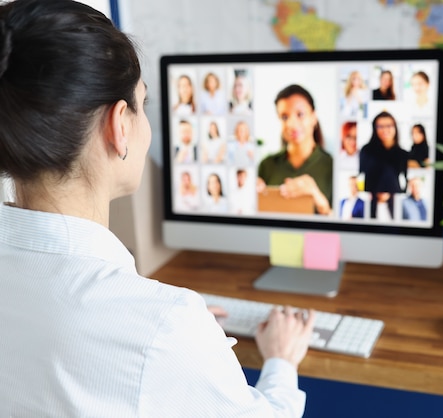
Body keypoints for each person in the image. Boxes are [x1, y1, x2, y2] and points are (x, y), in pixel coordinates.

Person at [0, 1, 316, 416]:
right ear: (118, 126)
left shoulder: (162, 325)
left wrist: (187, 345)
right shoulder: (164, 324)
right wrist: (280, 362)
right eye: (142, 105)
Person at [257, 84, 333, 215]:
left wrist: (321, 203)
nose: (291, 124)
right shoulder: (266, 165)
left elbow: (344, 230)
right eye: (284, 117)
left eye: (300, 114)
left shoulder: (332, 166)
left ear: (314, 117)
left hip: (315, 236)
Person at [359, 111, 408, 219]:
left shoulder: (403, 154)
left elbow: (405, 180)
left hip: (394, 200)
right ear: (374, 129)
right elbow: (360, 175)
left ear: (395, 127)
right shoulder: (367, 151)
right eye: (380, 126)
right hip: (371, 202)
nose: (385, 130)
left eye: (389, 126)